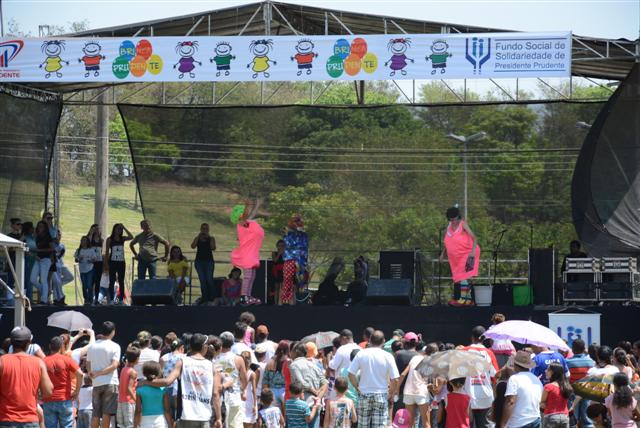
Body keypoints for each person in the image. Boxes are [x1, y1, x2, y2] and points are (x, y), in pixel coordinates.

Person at [143, 333, 223, 428]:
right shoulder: (211, 366)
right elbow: (215, 394)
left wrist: (145, 382)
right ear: (204, 347)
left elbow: (167, 382)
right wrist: (218, 418)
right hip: (204, 416)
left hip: (185, 415)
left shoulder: (182, 362)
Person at [0, 326, 53, 427]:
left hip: (6, 419)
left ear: (11, 342)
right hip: (30, 420)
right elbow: (48, 391)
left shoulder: (2, 361)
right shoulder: (39, 363)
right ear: (29, 343)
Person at [348, 330, 400, 428]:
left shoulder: (361, 354)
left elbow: (351, 374)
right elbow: (395, 379)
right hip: (381, 394)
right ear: (384, 341)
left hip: (364, 393)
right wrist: (390, 393)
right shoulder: (388, 356)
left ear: (370, 340)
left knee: (363, 425)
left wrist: (357, 387)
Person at [439, 206, 481, 306]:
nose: (453, 221)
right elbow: (447, 242)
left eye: (455, 219)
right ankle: (468, 300)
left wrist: (472, 252)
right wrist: (442, 254)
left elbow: (474, 237)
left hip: (468, 252)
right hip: (455, 257)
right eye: (451, 219)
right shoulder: (449, 226)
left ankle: (463, 300)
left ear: (458, 217)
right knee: (460, 277)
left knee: (463, 276)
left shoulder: (463, 224)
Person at [42, 336, 83, 428]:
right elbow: (80, 374)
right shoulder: (66, 359)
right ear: (61, 347)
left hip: (48, 399)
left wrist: (38, 393)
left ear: (49, 346)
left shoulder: (43, 361)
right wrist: (76, 392)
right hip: (64, 399)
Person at [86, 321, 122, 428]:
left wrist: (91, 374)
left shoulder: (92, 346)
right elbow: (114, 365)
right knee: (107, 413)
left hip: (96, 383)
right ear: (113, 332)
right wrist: (98, 373)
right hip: (110, 382)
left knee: (96, 413)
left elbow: (88, 363)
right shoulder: (115, 346)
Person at [462, 326, 498, 428]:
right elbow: (495, 377)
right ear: (484, 338)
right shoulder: (489, 353)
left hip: (467, 397)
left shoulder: (464, 351)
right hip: (485, 398)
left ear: (472, 337)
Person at [230, 201, 265, 305]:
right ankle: (244, 296)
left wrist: (257, 204)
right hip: (247, 254)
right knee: (248, 276)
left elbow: (252, 214)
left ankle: (248, 296)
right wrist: (247, 206)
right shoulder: (241, 223)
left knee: (252, 275)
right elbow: (246, 215)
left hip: (252, 253)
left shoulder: (248, 223)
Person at [289, 342, 328, 428]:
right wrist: (318, 397)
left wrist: (312, 390)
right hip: (315, 403)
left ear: (296, 351)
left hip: (302, 404)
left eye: (291, 350)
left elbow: (300, 382)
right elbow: (325, 383)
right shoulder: (314, 365)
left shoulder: (294, 365)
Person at [500, 350, 543, 428]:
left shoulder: (514, 379)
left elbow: (510, 402)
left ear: (515, 365)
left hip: (519, 423)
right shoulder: (536, 379)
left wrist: (503, 424)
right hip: (536, 420)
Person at [216, 332, 248, 428]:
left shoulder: (214, 357)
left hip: (217, 398)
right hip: (234, 396)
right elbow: (244, 379)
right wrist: (242, 390)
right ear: (232, 343)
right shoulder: (238, 359)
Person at [566, 339, 595, 428]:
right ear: (584, 348)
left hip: (573, 394)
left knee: (573, 421)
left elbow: (566, 379)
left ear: (573, 349)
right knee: (588, 421)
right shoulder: (591, 362)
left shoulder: (567, 362)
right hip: (588, 393)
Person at [281, 214, 309, 306]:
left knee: (301, 280)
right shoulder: (288, 233)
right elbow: (289, 243)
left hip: (301, 260)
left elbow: (303, 246)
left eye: (299, 221)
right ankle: (285, 301)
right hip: (290, 258)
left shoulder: (304, 235)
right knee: (287, 279)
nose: (298, 223)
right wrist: (287, 234)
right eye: (295, 221)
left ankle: (300, 300)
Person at [134, 361, 172, 428]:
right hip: (161, 421)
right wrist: (170, 424)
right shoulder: (163, 389)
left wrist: (135, 425)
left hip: (145, 422)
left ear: (143, 373)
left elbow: (138, 410)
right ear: (158, 373)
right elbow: (167, 410)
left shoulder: (139, 390)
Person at [398, 351, 429, 428]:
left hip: (408, 392)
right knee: (426, 422)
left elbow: (402, 374)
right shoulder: (430, 361)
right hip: (421, 392)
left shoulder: (415, 358)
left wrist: (396, 389)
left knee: (409, 422)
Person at [105, 223, 133, 304]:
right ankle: (110, 300)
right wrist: (106, 263)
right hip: (112, 262)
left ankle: (121, 300)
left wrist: (124, 227)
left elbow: (131, 236)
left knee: (121, 281)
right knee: (112, 280)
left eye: (120, 229)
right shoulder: (109, 239)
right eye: (117, 228)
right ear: (114, 229)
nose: (119, 230)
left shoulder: (122, 238)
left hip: (121, 262)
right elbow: (107, 252)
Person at [191, 223, 216, 304]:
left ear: (208, 230)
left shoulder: (211, 238)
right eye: (203, 228)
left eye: (206, 229)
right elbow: (193, 246)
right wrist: (198, 237)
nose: (204, 230)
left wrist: (208, 237)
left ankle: (212, 298)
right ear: (200, 229)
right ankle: (205, 298)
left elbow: (213, 247)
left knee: (209, 279)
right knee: (202, 281)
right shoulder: (197, 238)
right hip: (199, 262)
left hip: (209, 262)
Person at [31, 220, 55, 305]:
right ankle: (44, 291)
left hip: (45, 259)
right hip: (38, 259)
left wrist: (40, 250)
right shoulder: (36, 236)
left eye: (41, 226)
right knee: (32, 279)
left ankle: (44, 299)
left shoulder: (48, 237)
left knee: (43, 279)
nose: (40, 228)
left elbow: (52, 249)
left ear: (45, 228)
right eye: (39, 226)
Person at [540, 363, 572, 427]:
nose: (545, 371)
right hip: (564, 417)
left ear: (552, 372)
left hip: (551, 416)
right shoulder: (566, 386)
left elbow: (542, 404)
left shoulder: (548, 387)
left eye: (548, 369)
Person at [263, 341, 289, 410]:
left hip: (272, 390)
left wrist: (266, 393)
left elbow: (265, 379)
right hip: (285, 391)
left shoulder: (270, 362)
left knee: (273, 413)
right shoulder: (289, 362)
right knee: (285, 414)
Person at [118, 347, 140, 428]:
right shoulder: (133, 372)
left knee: (121, 425)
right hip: (129, 402)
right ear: (137, 359)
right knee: (130, 425)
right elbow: (129, 388)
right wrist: (137, 401)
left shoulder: (123, 369)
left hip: (120, 401)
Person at [50, 233, 73, 306]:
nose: (58, 237)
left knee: (70, 277)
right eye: (56, 235)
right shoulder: (51, 245)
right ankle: (58, 298)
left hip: (61, 265)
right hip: (53, 265)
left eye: (59, 235)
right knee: (57, 281)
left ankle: (58, 290)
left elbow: (60, 255)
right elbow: (53, 254)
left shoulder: (62, 245)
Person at [75, 236, 99, 306]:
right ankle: (86, 299)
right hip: (82, 270)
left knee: (89, 285)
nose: (83, 242)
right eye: (82, 240)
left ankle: (90, 300)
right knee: (84, 285)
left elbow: (95, 259)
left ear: (87, 242)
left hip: (90, 269)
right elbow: (76, 259)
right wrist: (79, 259)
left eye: (85, 240)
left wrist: (91, 260)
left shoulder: (91, 250)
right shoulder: (79, 250)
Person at [87, 224, 104, 305]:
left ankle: (96, 299)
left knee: (98, 281)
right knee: (91, 281)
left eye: (98, 229)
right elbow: (88, 242)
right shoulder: (90, 239)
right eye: (95, 229)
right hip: (91, 262)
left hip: (99, 262)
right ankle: (89, 299)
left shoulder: (101, 240)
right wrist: (91, 232)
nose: (97, 230)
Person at [241, 351, 258, 427]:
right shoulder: (252, 373)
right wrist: (254, 404)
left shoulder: (239, 372)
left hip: (240, 398)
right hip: (249, 399)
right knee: (248, 423)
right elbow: (254, 390)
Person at [21, 222, 37, 302]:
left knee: (31, 279)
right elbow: (22, 249)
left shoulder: (33, 237)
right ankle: (28, 298)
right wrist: (32, 255)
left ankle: (29, 297)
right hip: (27, 260)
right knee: (28, 279)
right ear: (29, 229)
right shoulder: (24, 238)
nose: (33, 229)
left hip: (34, 260)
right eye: (32, 227)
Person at [271, 240, 285, 305]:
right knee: (277, 288)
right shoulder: (274, 253)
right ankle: (276, 303)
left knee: (282, 287)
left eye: (282, 245)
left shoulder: (286, 254)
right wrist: (279, 254)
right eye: (279, 245)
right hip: (276, 272)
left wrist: (283, 254)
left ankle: (281, 302)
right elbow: (275, 260)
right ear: (277, 246)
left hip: (284, 271)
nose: (281, 247)